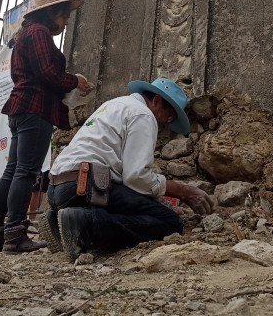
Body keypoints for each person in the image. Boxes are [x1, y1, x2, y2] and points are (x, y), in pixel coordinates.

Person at [43, 77, 215, 261]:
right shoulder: (144, 115)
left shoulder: (116, 104)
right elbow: (135, 177)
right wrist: (182, 190)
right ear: (156, 101)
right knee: (169, 221)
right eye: (169, 116)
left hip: (58, 189)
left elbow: (126, 179)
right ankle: (84, 222)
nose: (167, 124)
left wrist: (157, 201)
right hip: (84, 186)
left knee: (140, 206)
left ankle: (57, 218)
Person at [0, 0, 93, 254]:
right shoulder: (39, 33)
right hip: (36, 107)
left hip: (21, 108)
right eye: (64, 16)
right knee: (26, 172)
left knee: (14, 170)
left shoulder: (26, 32)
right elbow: (48, 74)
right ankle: (15, 235)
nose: (66, 22)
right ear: (53, 12)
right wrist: (75, 81)